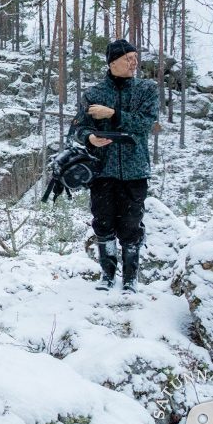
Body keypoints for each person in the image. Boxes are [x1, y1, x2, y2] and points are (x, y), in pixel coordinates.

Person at [70, 39, 159, 293]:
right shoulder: (94, 94)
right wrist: (89, 137)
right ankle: (107, 276)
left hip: (135, 170)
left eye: (135, 58)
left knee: (131, 225)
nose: (134, 63)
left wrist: (113, 115)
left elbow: (145, 124)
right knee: (103, 222)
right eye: (128, 59)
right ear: (112, 63)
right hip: (102, 170)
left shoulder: (146, 90)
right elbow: (76, 130)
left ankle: (131, 279)